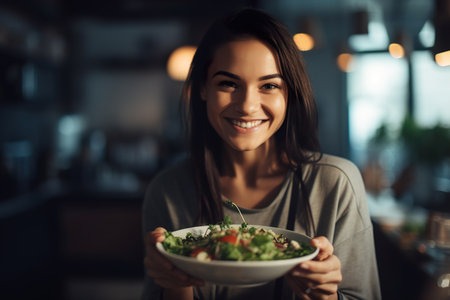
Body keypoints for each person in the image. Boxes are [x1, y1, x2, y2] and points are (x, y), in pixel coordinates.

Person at [142, 8, 381, 300]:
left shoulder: (336, 183)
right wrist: (175, 277)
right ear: (203, 88)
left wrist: (325, 295)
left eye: (269, 86)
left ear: (289, 94)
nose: (247, 106)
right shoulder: (168, 191)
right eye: (228, 84)